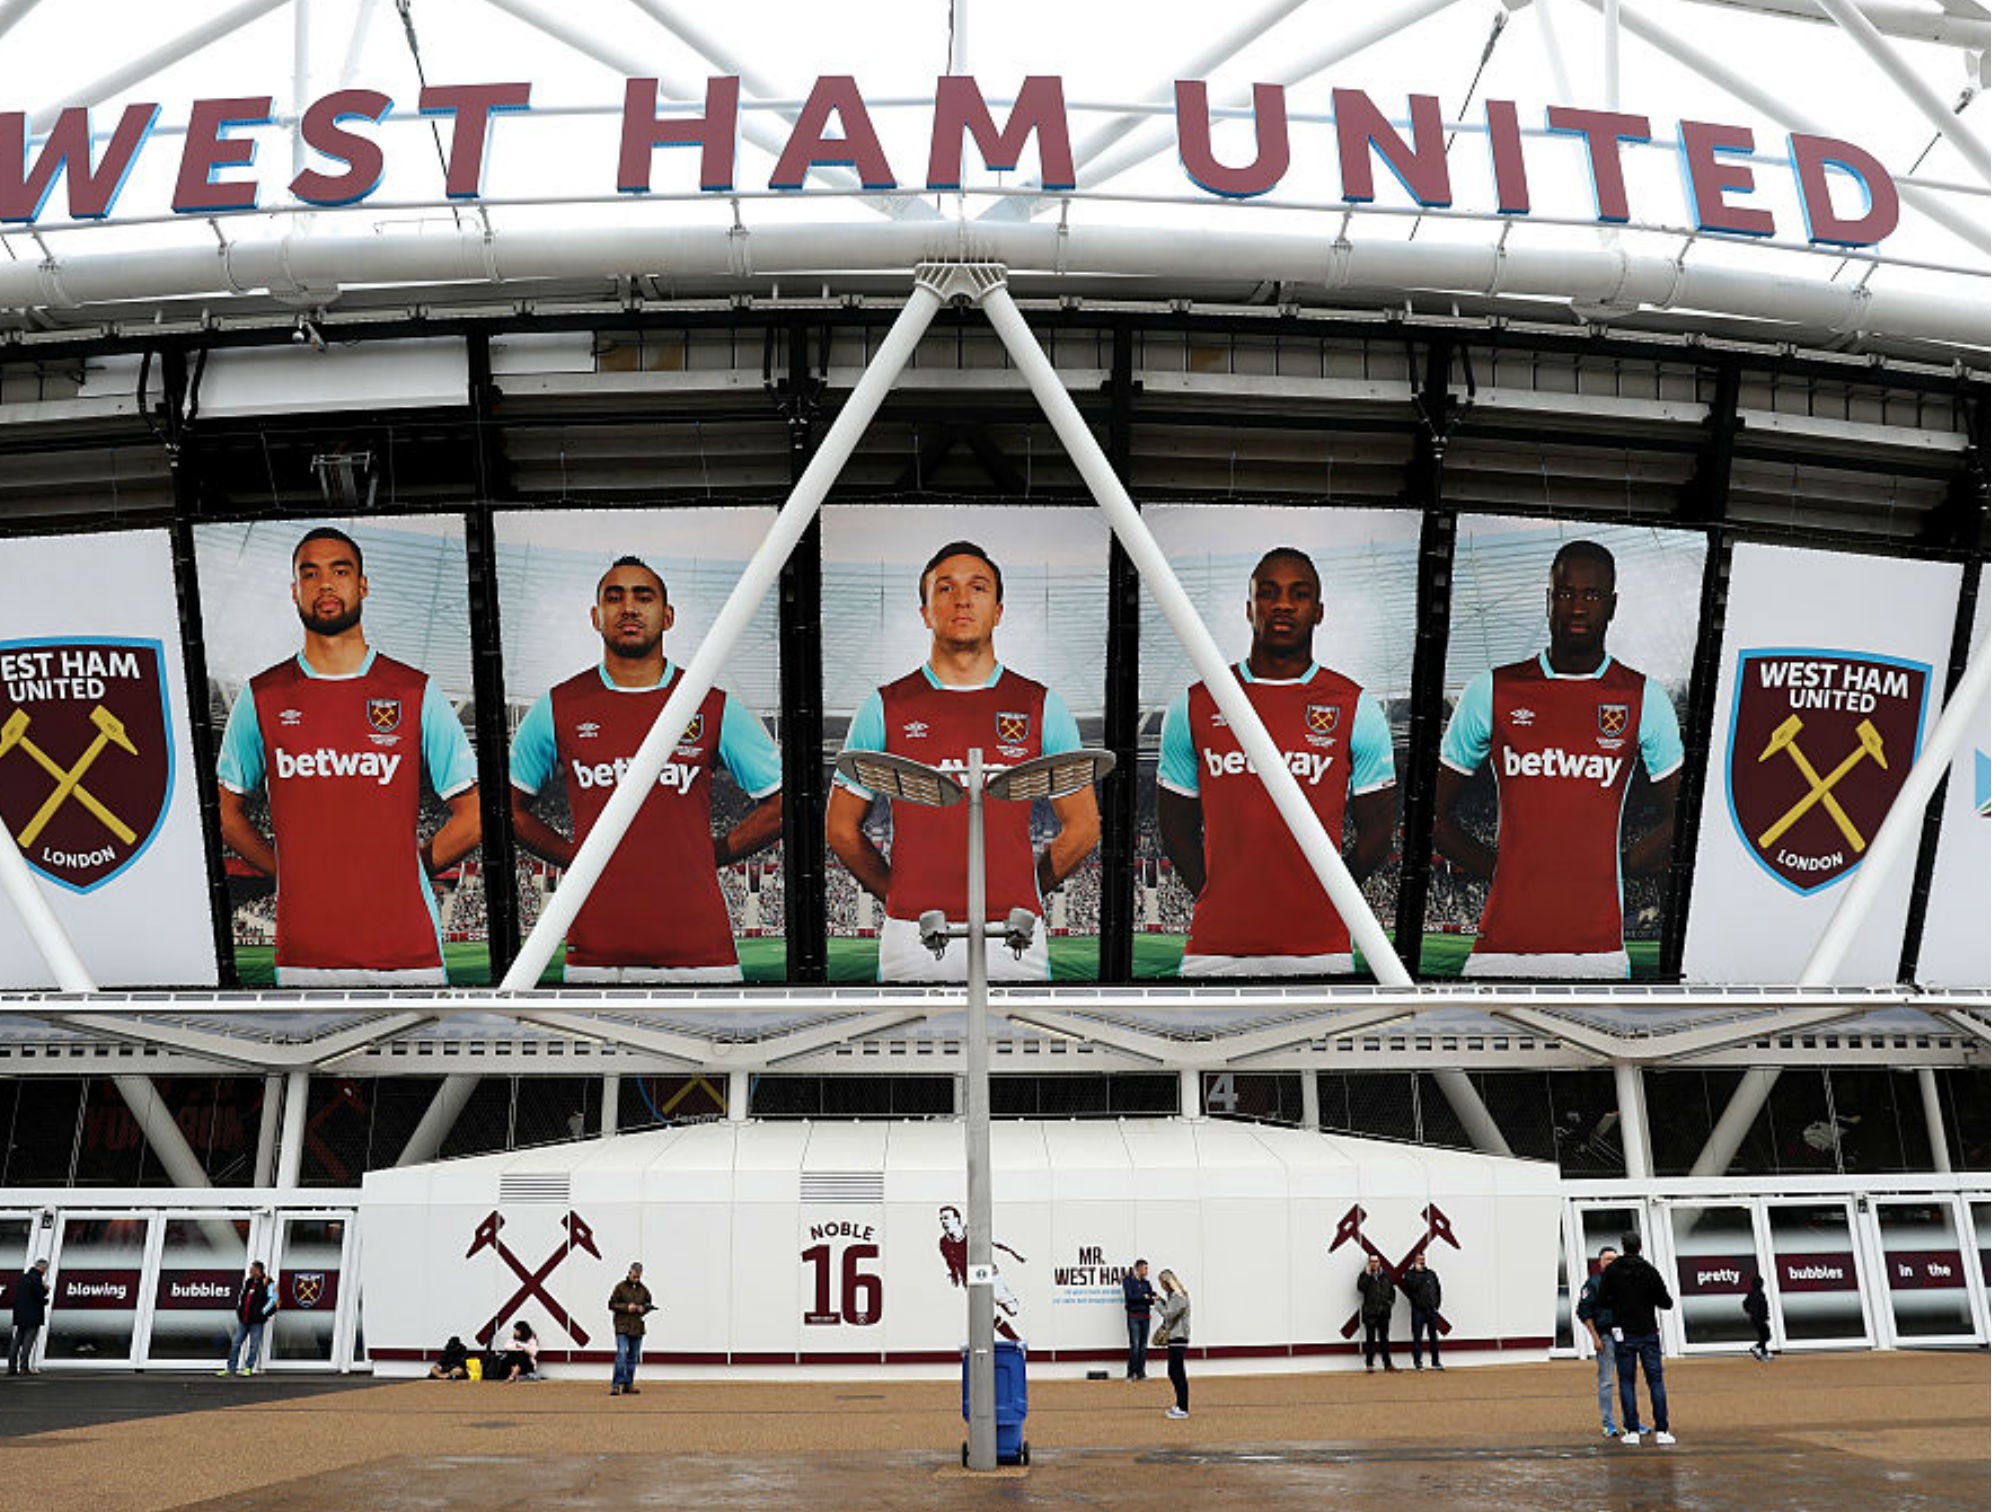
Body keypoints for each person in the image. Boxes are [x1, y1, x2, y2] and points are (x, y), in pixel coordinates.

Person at [216, 526, 481, 984]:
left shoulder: (415, 691)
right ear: (294, 591)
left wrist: (403, 869)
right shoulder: (261, 696)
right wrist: (288, 873)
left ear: (362, 585)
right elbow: (225, 812)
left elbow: (475, 814)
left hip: (410, 953)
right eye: (310, 573)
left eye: (340, 571)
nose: (325, 585)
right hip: (304, 954)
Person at [827, 542, 1101, 982]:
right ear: (925, 612)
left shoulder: (1041, 705)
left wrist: (1026, 889)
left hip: (1015, 933)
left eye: (978, 587)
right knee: (906, 1052)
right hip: (912, 932)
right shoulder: (883, 707)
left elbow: (1084, 827)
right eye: (945, 588)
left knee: (1025, 1052)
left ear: (998, 610)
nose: (962, 599)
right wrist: (896, 894)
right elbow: (840, 827)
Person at [511, 558, 783, 982]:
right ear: (596, 617)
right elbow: (508, 809)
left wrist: (712, 853)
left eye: (644, 596)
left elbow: (784, 803)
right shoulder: (558, 705)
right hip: (595, 954)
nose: (629, 608)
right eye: (614, 597)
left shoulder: (711, 705)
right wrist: (573, 859)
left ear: (667, 616)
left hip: (702, 953)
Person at [1434, 540, 1683, 978]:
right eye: (1565, 593)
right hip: (1498, 953)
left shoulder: (1644, 698)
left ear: (1612, 604)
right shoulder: (1490, 691)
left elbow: (1684, 817)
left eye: (1591, 595)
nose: (1577, 607)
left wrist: (1617, 869)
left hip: (1599, 955)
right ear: (1548, 601)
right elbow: (1432, 815)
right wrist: (1500, 869)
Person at [1156, 548, 1396, 974]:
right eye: (1268, 593)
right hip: (1214, 952)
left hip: (1322, 949)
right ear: (1250, 609)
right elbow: (1175, 831)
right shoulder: (1192, 705)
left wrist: (1329, 893)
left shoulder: (1355, 706)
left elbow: (1378, 834)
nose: (1283, 604)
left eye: (1298, 594)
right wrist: (1219, 897)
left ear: (1318, 612)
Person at [1595, 1231, 1675, 1446]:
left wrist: (1618, 1303)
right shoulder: (1649, 1271)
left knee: (1627, 1382)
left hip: (1624, 1332)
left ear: (1623, 1247)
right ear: (1640, 1247)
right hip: (1648, 1331)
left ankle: (1631, 1430)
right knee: (1656, 1381)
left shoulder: (1613, 1271)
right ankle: (1662, 1429)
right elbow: (1666, 1303)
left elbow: (1602, 1301)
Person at [937, 1204, 1028, 1342]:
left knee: (1013, 1310)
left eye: (946, 1218)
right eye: (941, 1219)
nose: (943, 1222)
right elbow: (950, 1261)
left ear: (957, 1219)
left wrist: (1015, 1254)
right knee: (989, 1316)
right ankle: (1016, 1340)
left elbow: (997, 1243)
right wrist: (954, 1276)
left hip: (989, 1275)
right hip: (971, 1282)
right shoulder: (944, 1243)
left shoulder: (973, 1232)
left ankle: (1007, 1302)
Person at [1576, 1245, 1620, 1437]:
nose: (1611, 1262)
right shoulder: (1593, 1284)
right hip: (1606, 1337)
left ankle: (1632, 1423)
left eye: (1614, 1259)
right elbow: (1584, 1311)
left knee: (1628, 1382)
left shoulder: (1625, 1283)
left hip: (1626, 1338)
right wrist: (1595, 1337)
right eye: (1607, 1259)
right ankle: (1608, 1423)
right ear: (1600, 1262)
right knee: (1606, 1382)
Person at [220, 1260, 276, 1377]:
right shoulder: (249, 1282)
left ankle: (248, 1367)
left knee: (254, 1345)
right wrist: (239, 1310)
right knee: (236, 1343)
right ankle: (231, 1368)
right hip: (244, 1319)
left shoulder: (268, 1283)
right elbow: (243, 1297)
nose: (250, 1271)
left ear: (258, 1271)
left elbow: (273, 1300)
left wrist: (262, 1313)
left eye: (253, 1269)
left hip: (257, 1321)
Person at [609, 1260, 654, 1396]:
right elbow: (611, 1304)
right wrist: (627, 1307)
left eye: (639, 1276)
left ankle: (628, 1384)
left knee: (633, 1357)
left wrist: (643, 1309)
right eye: (634, 1275)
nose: (636, 1278)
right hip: (622, 1326)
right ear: (629, 1273)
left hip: (637, 1327)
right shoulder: (620, 1287)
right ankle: (616, 1384)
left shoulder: (644, 1290)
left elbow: (648, 1304)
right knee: (622, 1354)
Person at [1156, 1268, 1191, 1419]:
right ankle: (1179, 1405)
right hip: (1175, 1337)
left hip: (1178, 1337)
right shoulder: (1174, 1296)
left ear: (1167, 1282)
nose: (1162, 1286)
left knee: (1177, 1373)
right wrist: (1162, 1301)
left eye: (1162, 1283)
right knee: (1174, 1372)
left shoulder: (1179, 1296)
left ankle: (1183, 1407)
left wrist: (1158, 1304)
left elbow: (1169, 1314)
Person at [1401, 1249, 1443, 1370]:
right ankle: (1418, 1362)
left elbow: (1437, 1289)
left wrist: (1436, 1305)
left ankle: (1436, 1362)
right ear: (1414, 1261)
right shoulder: (1409, 1274)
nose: (1421, 1262)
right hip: (1418, 1310)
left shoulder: (1431, 1273)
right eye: (1419, 1259)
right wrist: (1419, 1274)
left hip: (1431, 1310)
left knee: (1433, 1337)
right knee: (1417, 1337)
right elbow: (1412, 1288)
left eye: (1423, 1259)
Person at [1356, 1253, 1399, 1373]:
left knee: (1384, 1339)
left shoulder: (1385, 1276)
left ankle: (1388, 1364)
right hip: (1370, 1313)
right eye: (1372, 1261)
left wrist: (1389, 1304)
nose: (1374, 1263)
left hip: (1384, 1313)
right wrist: (1367, 1275)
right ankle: (1370, 1364)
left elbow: (1392, 1292)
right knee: (1370, 1340)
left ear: (1380, 1263)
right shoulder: (1364, 1275)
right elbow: (1361, 1288)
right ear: (1369, 1263)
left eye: (1376, 1261)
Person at [8, 1257, 48, 1375]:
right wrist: (46, 1290)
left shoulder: (23, 1278)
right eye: (45, 1269)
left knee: (17, 1340)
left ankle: (12, 1367)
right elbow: (39, 1296)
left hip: (20, 1315)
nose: (45, 1271)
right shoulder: (36, 1279)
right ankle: (24, 1367)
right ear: (41, 1268)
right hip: (32, 1315)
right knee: (27, 1342)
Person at [1122, 1258, 1156, 1381]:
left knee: (1143, 1346)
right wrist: (1144, 1296)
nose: (1147, 1271)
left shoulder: (1147, 1283)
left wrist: (1147, 1297)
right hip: (1133, 1317)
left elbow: (1151, 1299)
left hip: (1145, 1317)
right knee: (1135, 1345)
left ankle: (1141, 1373)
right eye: (1145, 1268)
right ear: (1138, 1268)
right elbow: (1130, 1297)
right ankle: (1131, 1373)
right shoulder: (1127, 1281)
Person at [1744, 1274, 1773, 1362]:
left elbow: (1745, 1304)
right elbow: (1761, 1307)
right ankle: (1758, 1348)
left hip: (1758, 1318)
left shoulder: (1754, 1294)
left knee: (1764, 1335)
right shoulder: (1758, 1294)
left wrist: (1750, 1312)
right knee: (1765, 1335)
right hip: (1759, 1319)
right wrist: (1757, 1315)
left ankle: (1763, 1351)